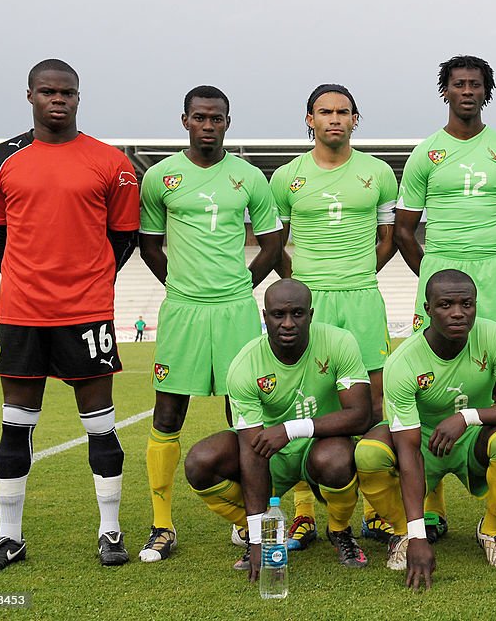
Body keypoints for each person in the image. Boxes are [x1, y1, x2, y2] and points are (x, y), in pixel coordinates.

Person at [0, 58, 139, 571]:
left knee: (101, 426)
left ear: (78, 97)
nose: (58, 99)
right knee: (14, 427)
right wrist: (30, 282)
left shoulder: (111, 162)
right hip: (23, 312)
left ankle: (110, 532)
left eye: (67, 92)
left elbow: (123, 237)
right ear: (30, 96)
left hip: (86, 312)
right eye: (48, 91)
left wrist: (85, 281)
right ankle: (9, 538)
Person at [138, 85, 283, 562]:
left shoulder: (248, 177)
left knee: (242, 416)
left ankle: (252, 519)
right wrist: (180, 287)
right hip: (183, 311)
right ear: (185, 121)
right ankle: (162, 525)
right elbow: (150, 245)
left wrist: (243, 285)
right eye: (199, 117)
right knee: (167, 414)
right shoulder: (161, 177)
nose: (207, 125)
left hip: (236, 310)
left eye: (216, 118)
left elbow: (271, 243)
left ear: (227, 122)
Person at [394, 54, 496, 541]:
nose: (467, 91)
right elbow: (405, 230)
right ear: (445, 91)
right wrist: (433, 274)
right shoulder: (425, 153)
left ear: (486, 91)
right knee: (427, 385)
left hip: (495, 271)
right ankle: (431, 503)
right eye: (458, 84)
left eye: (476, 84)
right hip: (442, 267)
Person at [270, 83, 398, 548]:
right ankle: (304, 510)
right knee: (307, 401)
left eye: (343, 112)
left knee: (373, 404)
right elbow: (276, 244)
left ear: (355, 119)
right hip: (311, 298)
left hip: (362, 295)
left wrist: (359, 274)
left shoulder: (380, 173)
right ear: (310, 119)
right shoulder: (286, 178)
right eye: (325, 112)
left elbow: (388, 240)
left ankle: (374, 511)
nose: (334, 119)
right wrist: (301, 286)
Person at [354, 270, 496, 589]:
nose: (457, 312)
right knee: (368, 453)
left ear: (476, 305)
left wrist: (467, 417)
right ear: (427, 309)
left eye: (466, 304)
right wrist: (417, 536)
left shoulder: (492, 337)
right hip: (423, 442)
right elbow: (408, 449)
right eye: (445, 304)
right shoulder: (404, 362)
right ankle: (402, 535)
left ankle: (491, 530)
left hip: (472, 439)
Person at [184, 279, 372, 575]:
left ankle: (339, 530)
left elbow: (361, 415)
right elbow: (251, 449)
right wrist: (259, 538)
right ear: (264, 315)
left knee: (335, 459)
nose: (287, 323)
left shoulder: (339, 342)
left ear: (311, 315)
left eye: (297, 314)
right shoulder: (245, 365)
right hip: (270, 452)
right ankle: (255, 531)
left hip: (320, 444)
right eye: (278, 315)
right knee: (200, 461)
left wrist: (292, 429)